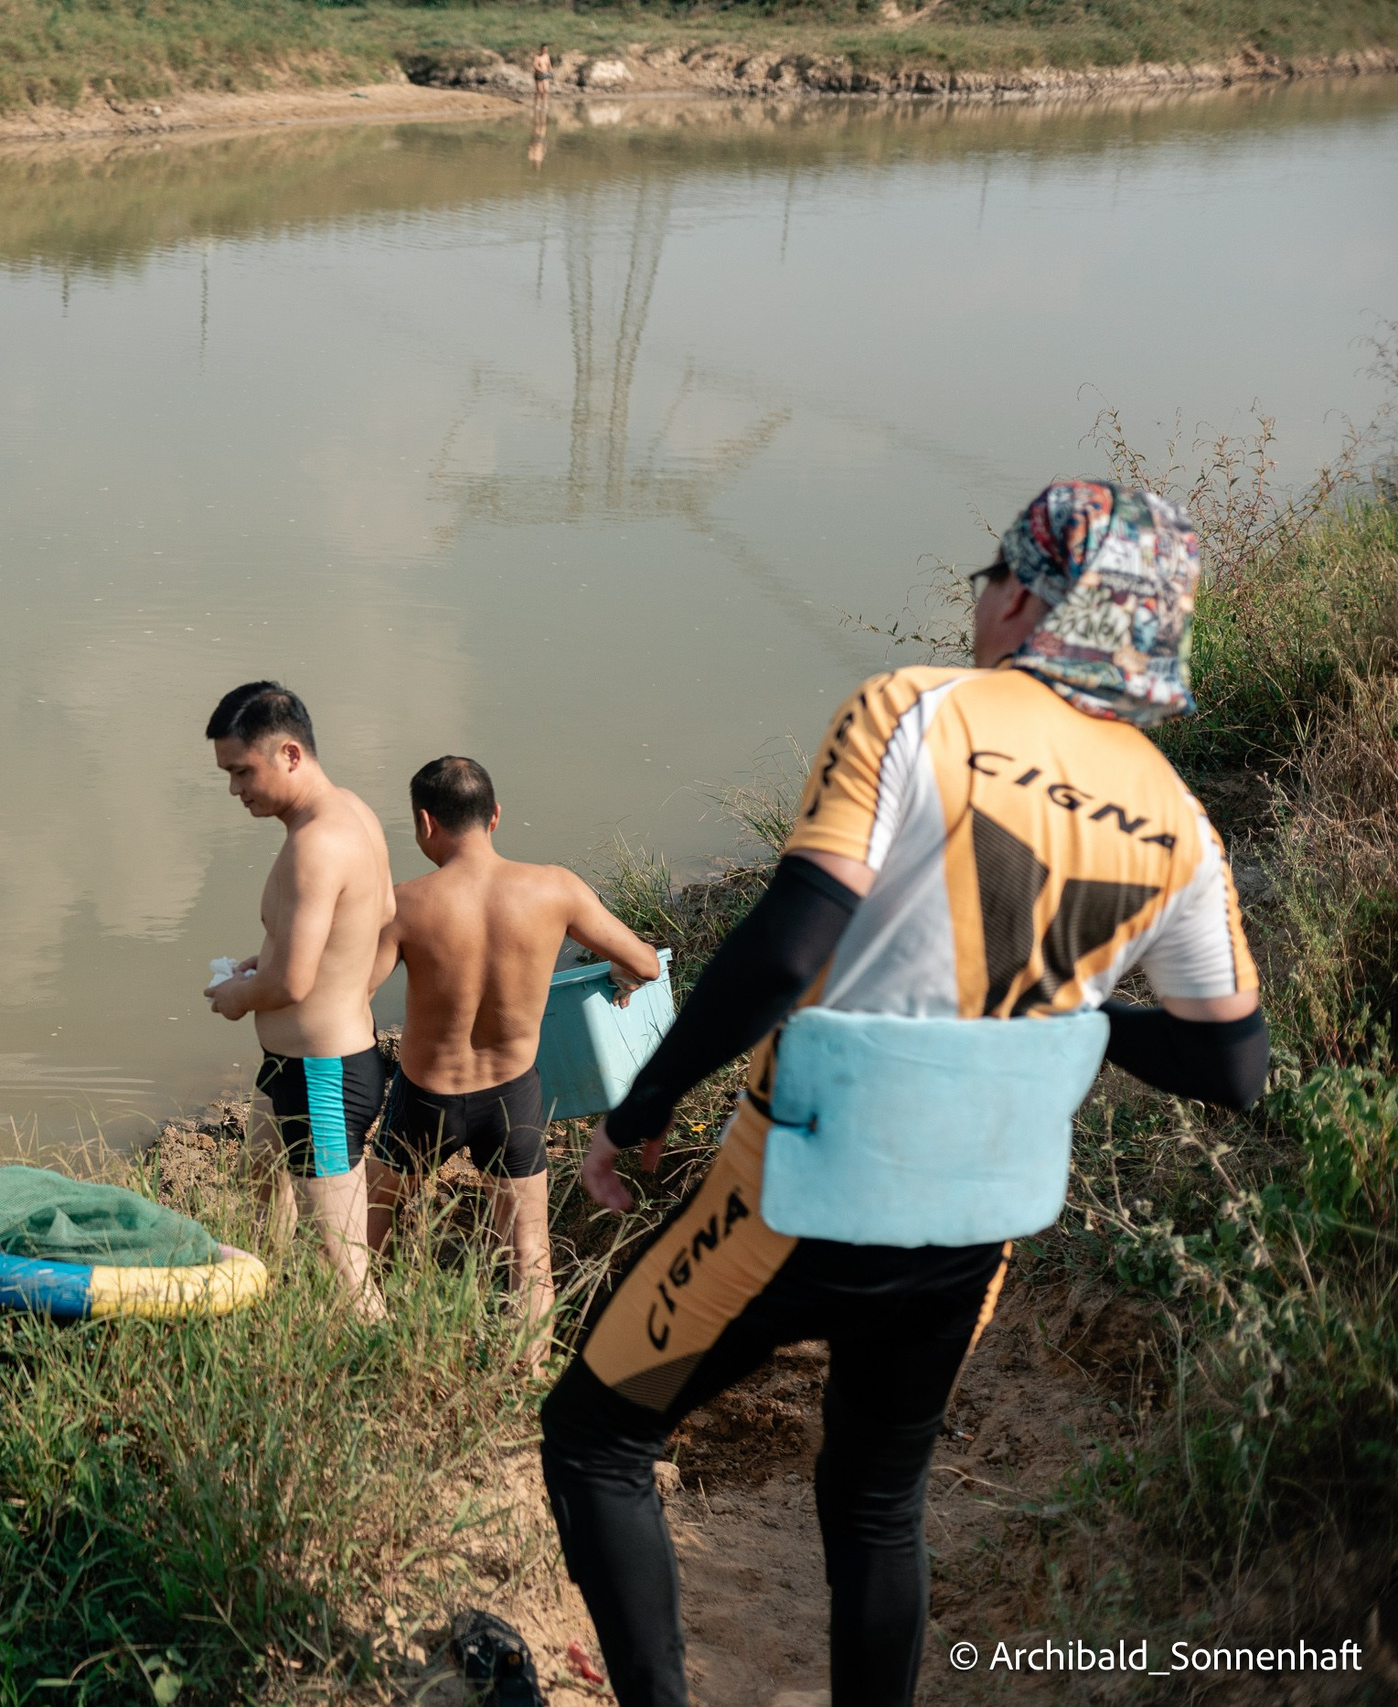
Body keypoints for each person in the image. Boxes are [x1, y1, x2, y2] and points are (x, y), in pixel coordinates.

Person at [538, 481, 1269, 1707]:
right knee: (877, 1500)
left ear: (1031, 600)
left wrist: (640, 1107)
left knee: (597, 1436)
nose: (976, 598)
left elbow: (783, 946)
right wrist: (1085, 1018)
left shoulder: (912, 709)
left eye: (990, 572)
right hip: (979, 1217)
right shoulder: (1177, 822)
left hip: (807, 1187)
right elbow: (1232, 1066)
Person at [366, 755, 661, 1355]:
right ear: (495, 815)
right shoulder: (555, 888)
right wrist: (621, 981)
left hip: (426, 1096)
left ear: (424, 824)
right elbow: (646, 963)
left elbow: (351, 999)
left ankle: (384, 1346)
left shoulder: (405, 905)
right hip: (512, 1095)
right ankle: (528, 1381)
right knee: (529, 1256)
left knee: (369, 1233)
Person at [203, 681, 396, 1306]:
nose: (235, 790)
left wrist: (241, 995)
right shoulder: (353, 812)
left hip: (323, 1075)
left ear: (289, 754)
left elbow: (290, 985)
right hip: (303, 1064)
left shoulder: (314, 844)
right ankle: (269, 1308)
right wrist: (286, 956)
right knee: (262, 1180)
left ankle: (386, 1376)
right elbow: (381, 916)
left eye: (241, 772)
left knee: (346, 1269)